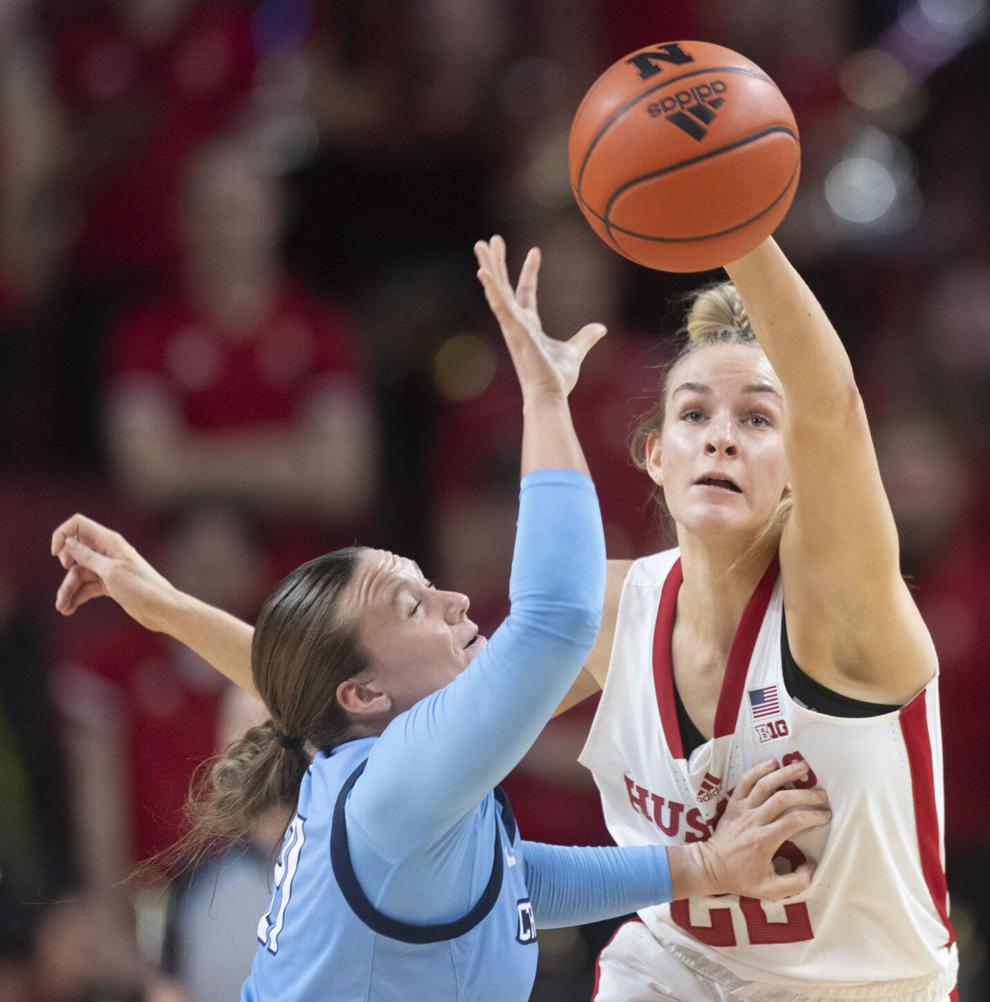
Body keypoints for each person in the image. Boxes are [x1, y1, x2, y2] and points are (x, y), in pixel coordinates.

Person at [51, 237, 829, 1002]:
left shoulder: (376, 769)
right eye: (412, 603)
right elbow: (555, 615)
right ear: (365, 693)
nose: (455, 601)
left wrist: (702, 868)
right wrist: (546, 396)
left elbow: (506, 881)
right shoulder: (395, 780)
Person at [553, 237, 956, 1000]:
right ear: (655, 456)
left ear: (802, 467)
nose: (721, 435)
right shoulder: (615, 610)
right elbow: (433, 724)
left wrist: (733, 223)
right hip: (679, 975)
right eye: (694, 413)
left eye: (759, 420)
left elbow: (833, 411)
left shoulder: (838, 612)